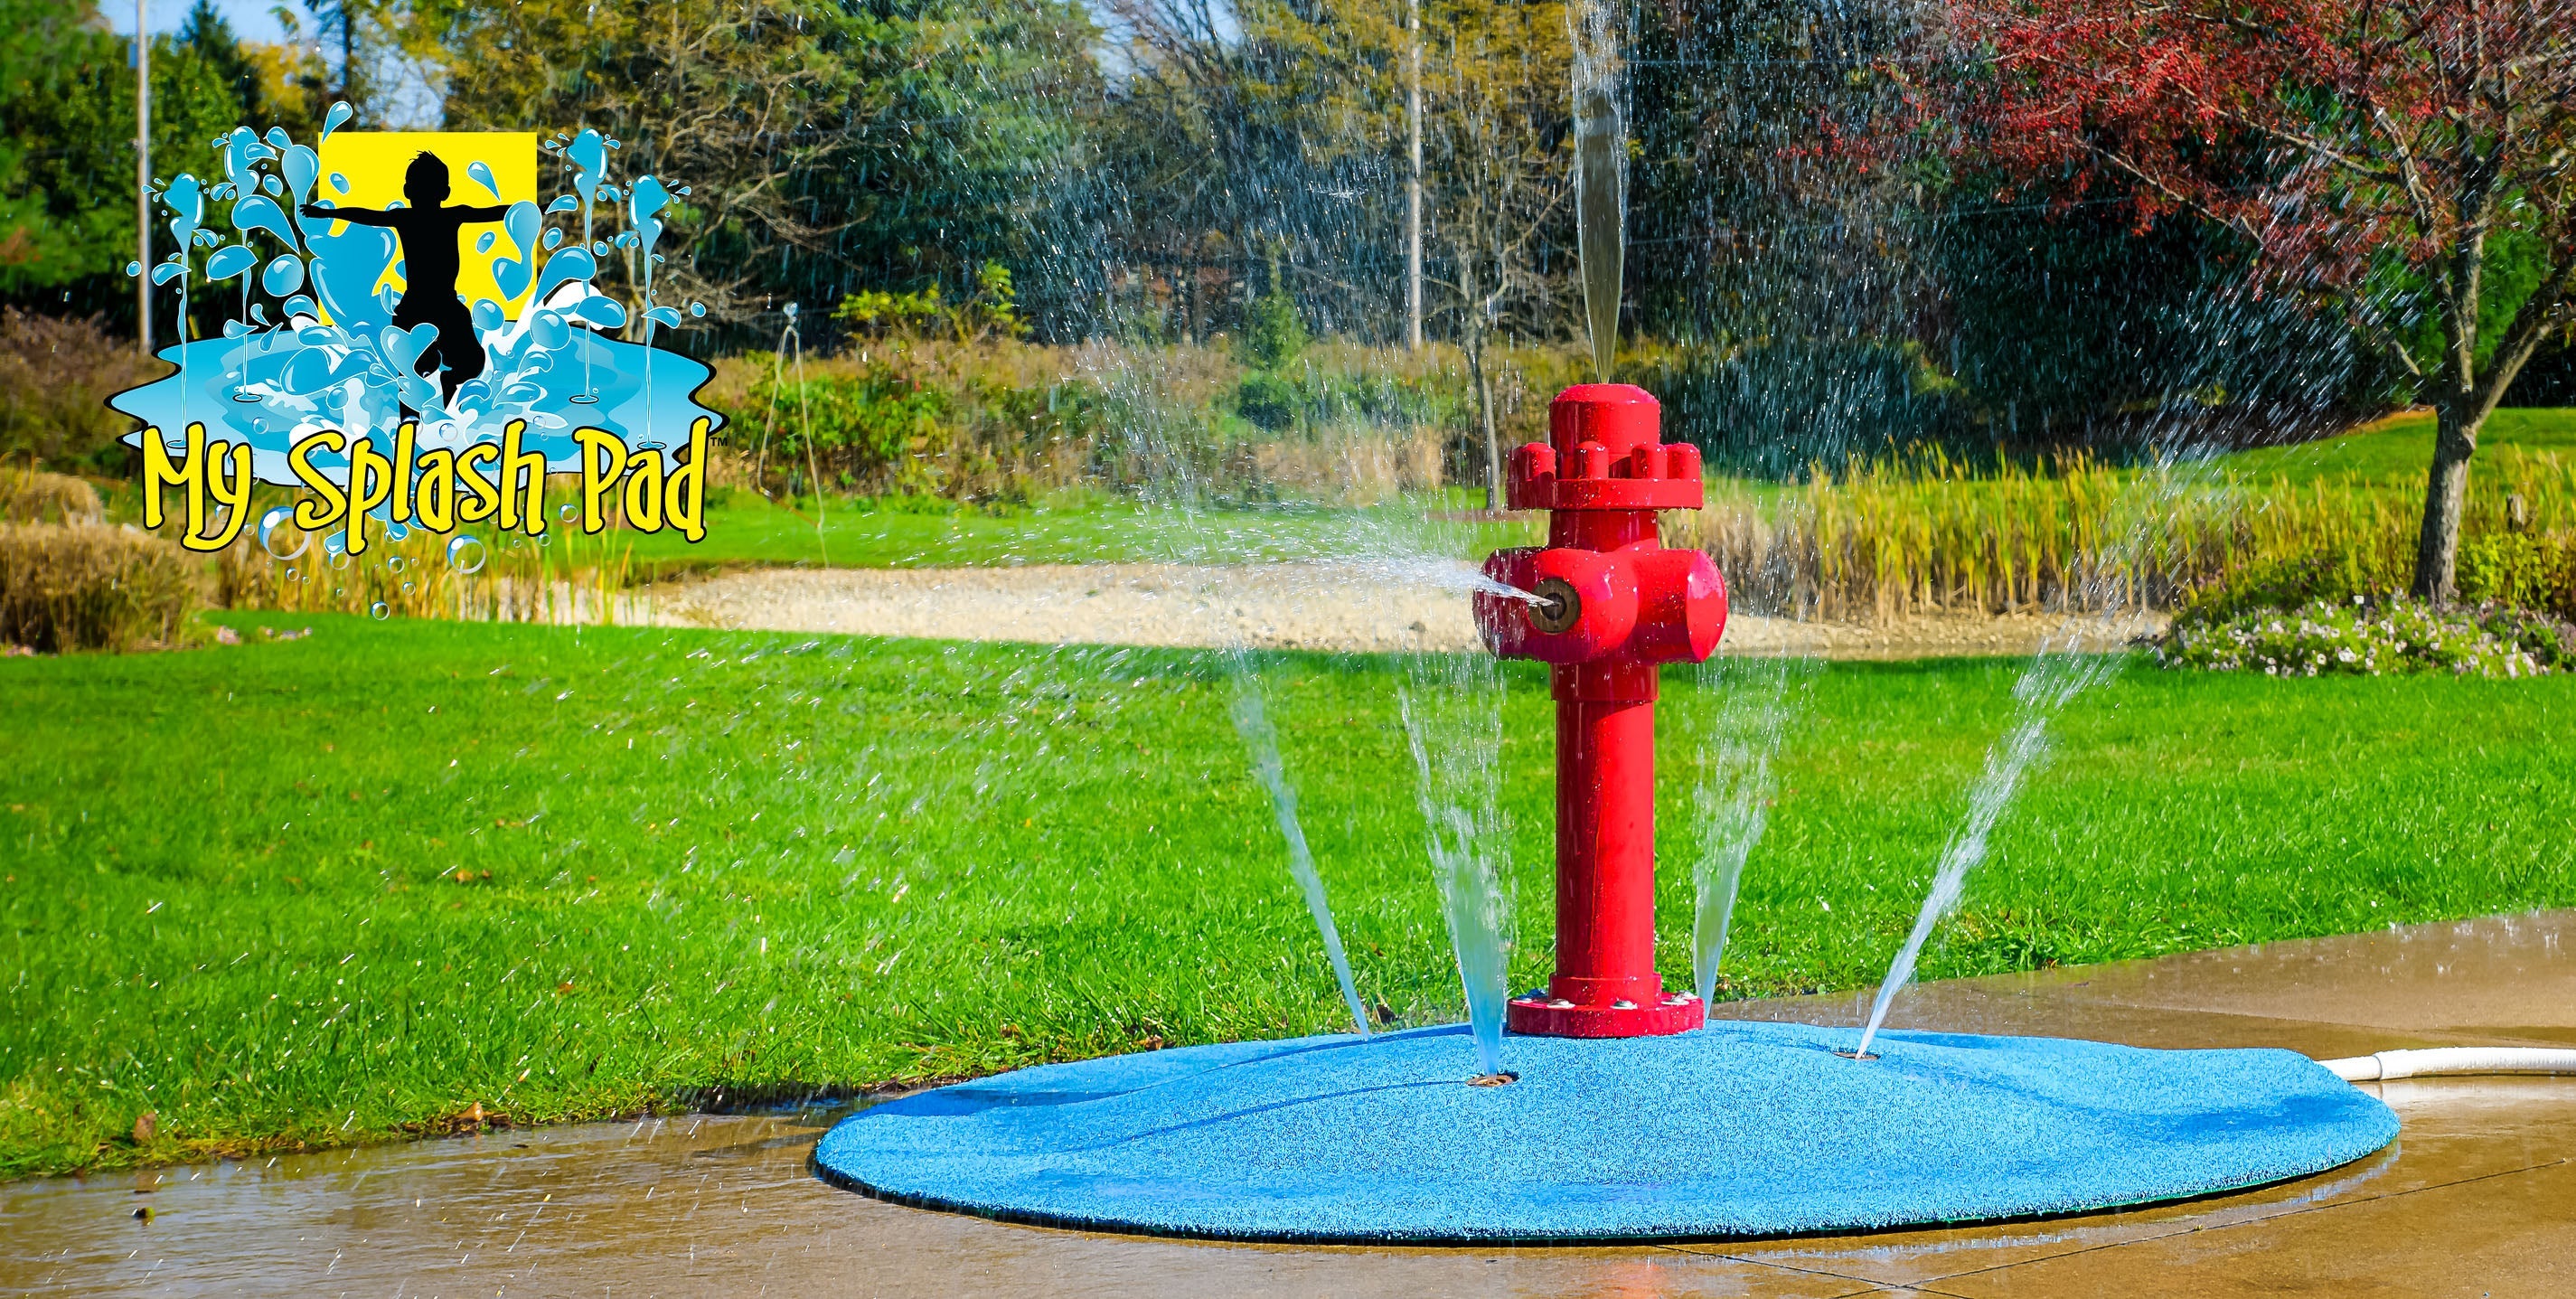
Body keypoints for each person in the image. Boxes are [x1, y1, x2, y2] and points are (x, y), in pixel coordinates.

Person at [302, 152, 507, 403]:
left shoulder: (423, 217)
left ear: (408, 191)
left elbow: (365, 215)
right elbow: (496, 212)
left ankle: (436, 394)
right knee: (439, 367)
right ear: (445, 192)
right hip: (427, 305)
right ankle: (439, 391)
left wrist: (328, 213)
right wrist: (530, 212)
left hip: (430, 306)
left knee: (439, 368)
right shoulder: (437, 216)